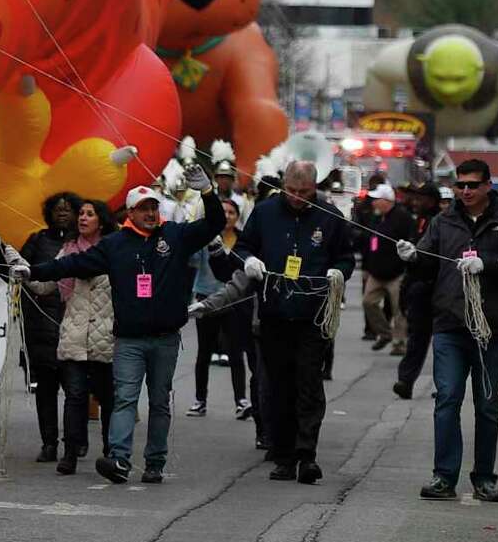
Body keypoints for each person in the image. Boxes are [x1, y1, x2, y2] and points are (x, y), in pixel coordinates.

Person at [24, 167, 224, 485]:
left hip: (165, 338)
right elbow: (72, 264)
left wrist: (208, 193)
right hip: (129, 340)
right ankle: (119, 459)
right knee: (126, 398)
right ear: (130, 212)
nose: (150, 213)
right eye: (143, 209)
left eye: (154, 207)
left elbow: (215, 224)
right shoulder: (115, 244)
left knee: (159, 401)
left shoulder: (175, 235)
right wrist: (33, 272)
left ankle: (155, 462)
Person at [398, 158, 498, 502]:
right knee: (447, 400)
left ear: (488, 185)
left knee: (486, 405)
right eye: (461, 185)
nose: (466, 191)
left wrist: (487, 265)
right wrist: (412, 255)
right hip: (450, 325)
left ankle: (485, 478)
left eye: (473, 185)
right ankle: (444, 476)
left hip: (492, 328)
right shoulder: (443, 221)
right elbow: (427, 261)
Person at [231, 161, 354, 484]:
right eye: (292, 191)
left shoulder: (330, 216)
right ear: (284, 185)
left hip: (313, 316)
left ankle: (306, 454)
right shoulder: (265, 211)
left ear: (315, 188)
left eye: (304, 192)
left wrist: (338, 272)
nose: (298, 197)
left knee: (309, 385)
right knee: (278, 386)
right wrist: (250, 262)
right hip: (274, 314)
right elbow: (243, 246)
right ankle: (283, 455)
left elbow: (346, 256)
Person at [0, 191, 80, 461]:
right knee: (46, 390)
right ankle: (49, 443)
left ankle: (74, 442)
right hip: (40, 328)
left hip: (75, 326)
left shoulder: (84, 244)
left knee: (76, 391)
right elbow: (13, 276)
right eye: (57, 209)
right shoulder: (37, 241)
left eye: (68, 209)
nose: (62, 213)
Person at [45, 199, 115, 474]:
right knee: (74, 396)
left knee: (108, 398)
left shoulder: (115, 250)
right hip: (74, 334)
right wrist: (10, 262)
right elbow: (44, 283)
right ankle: (70, 453)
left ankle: (112, 452)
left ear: (102, 220)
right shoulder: (68, 251)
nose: (83, 218)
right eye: (81, 214)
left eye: (90, 214)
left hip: (105, 336)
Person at [188, 198, 250, 421]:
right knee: (204, 351)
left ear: (237, 216)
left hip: (235, 301)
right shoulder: (207, 238)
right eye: (223, 212)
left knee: (235, 351)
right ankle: (199, 400)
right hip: (207, 297)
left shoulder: (244, 241)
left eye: (232, 212)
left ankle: (241, 401)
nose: (227, 216)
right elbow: (192, 260)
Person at [394, 181, 442, 399]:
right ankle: (405, 380)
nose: (416, 201)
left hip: (437, 288)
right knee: (417, 338)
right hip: (418, 288)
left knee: (442, 341)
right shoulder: (418, 221)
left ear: (431, 200)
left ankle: (444, 384)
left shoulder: (440, 223)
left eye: (421, 198)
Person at [362, 183, 415, 355]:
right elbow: (370, 242)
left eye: (377, 199)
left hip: (397, 273)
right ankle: (385, 333)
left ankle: (399, 343)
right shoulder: (377, 218)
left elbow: (411, 242)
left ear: (386, 201)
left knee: (399, 309)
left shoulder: (403, 218)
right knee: (368, 302)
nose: (373, 203)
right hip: (376, 272)